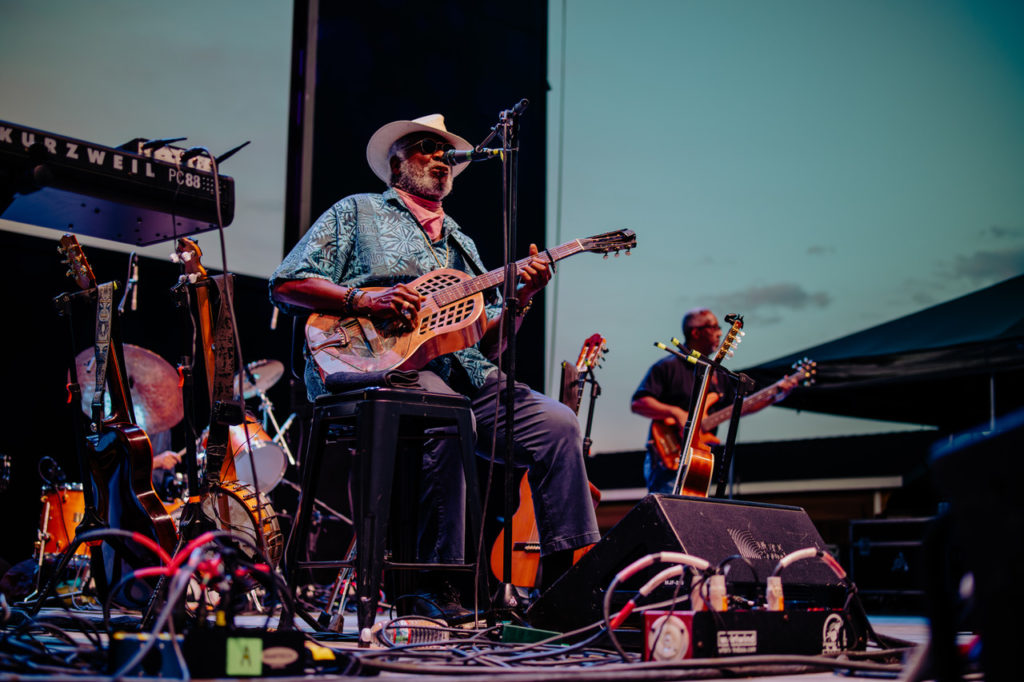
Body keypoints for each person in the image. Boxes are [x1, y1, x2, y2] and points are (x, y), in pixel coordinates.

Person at [270, 114, 600, 618]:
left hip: (462, 374)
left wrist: (520, 300)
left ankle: (561, 588)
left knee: (558, 425)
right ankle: (435, 585)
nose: (439, 157)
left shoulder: (462, 245)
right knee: (445, 411)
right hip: (371, 364)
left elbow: (484, 346)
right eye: (425, 147)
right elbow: (287, 283)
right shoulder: (357, 212)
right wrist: (366, 299)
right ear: (396, 162)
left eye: (444, 150)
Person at [630, 308, 798, 493]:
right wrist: (675, 412)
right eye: (714, 327)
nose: (719, 332)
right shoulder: (667, 366)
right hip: (668, 454)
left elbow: (739, 407)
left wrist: (774, 396)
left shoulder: (718, 374)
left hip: (699, 458)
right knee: (668, 510)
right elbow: (638, 403)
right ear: (696, 332)